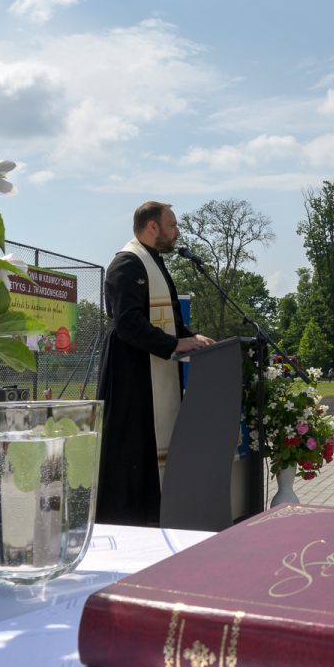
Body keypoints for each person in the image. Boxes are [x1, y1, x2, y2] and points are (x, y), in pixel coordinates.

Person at [96, 201, 214, 526]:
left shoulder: (155, 263)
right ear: (152, 227)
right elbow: (129, 323)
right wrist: (175, 344)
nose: (177, 232)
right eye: (172, 225)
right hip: (131, 380)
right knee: (132, 455)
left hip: (153, 375)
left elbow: (168, 323)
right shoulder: (126, 264)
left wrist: (193, 338)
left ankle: (158, 519)